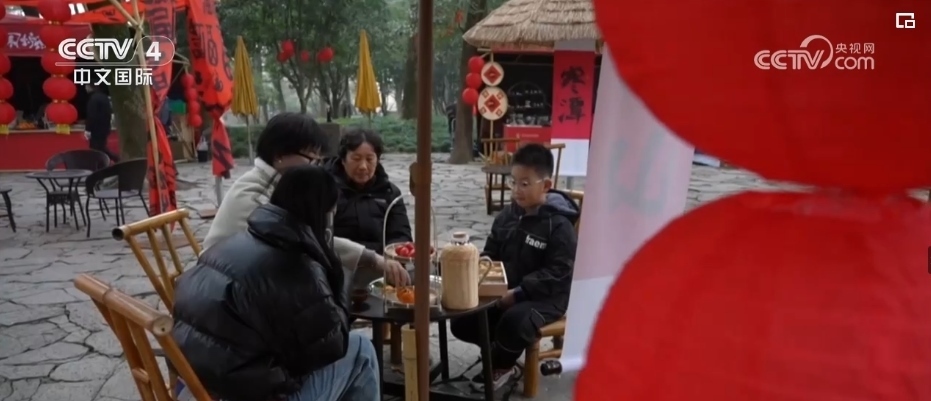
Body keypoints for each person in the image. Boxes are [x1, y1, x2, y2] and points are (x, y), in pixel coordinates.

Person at [172, 165, 379, 401]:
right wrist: (338, 272)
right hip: (245, 394)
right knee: (361, 350)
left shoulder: (231, 244)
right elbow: (333, 347)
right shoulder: (297, 268)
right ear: (323, 214)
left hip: (195, 387)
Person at [202, 112, 409, 286]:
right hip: (226, 291)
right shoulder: (256, 195)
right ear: (280, 154)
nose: (315, 166)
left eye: (318, 160)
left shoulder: (282, 184)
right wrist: (371, 259)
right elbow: (306, 238)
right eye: (311, 158)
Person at [450, 143, 579, 390]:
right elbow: (491, 252)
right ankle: (501, 352)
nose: (517, 190)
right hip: (504, 289)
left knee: (514, 321)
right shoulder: (507, 216)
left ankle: (501, 365)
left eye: (525, 184)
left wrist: (519, 293)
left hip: (546, 297)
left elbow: (559, 272)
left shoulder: (559, 226)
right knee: (462, 319)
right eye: (513, 182)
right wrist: (482, 266)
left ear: (546, 185)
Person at [327, 129, 412, 253]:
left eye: (370, 159)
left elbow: (400, 235)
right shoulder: (326, 190)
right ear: (343, 160)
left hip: (383, 261)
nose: (363, 166)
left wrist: (392, 255)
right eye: (356, 159)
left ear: (377, 160)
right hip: (337, 260)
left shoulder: (390, 192)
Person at [84, 84, 119, 162]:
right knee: (100, 148)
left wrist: (88, 129)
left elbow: (91, 115)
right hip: (105, 127)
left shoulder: (93, 99)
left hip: (96, 129)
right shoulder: (104, 97)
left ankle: (115, 159)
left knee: (97, 149)